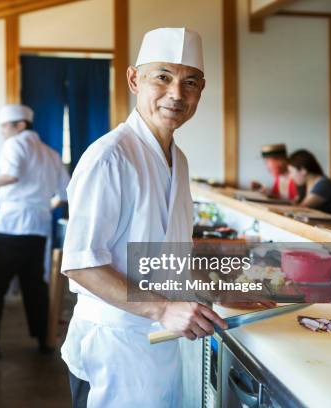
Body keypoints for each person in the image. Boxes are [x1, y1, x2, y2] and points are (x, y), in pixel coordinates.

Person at [60, 28, 228, 407]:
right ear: (134, 79)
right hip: (113, 346)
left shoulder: (177, 160)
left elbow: (163, 244)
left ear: (201, 90)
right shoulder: (109, 157)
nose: (177, 94)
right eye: (163, 77)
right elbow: (81, 265)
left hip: (161, 344)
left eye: (190, 83)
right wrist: (164, 308)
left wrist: (210, 276)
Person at [0, 104, 70, 359]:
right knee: (35, 285)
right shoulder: (50, 153)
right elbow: (64, 193)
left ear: (20, 126)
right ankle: (44, 340)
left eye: (5, 126)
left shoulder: (15, 144)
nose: (2, 131)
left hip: (12, 226)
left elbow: (10, 176)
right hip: (38, 227)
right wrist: (41, 206)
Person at [288, 149, 331, 216]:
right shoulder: (306, 185)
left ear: (303, 170)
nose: (290, 176)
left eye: (291, 172)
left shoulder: (324, 184)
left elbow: (301, 208)